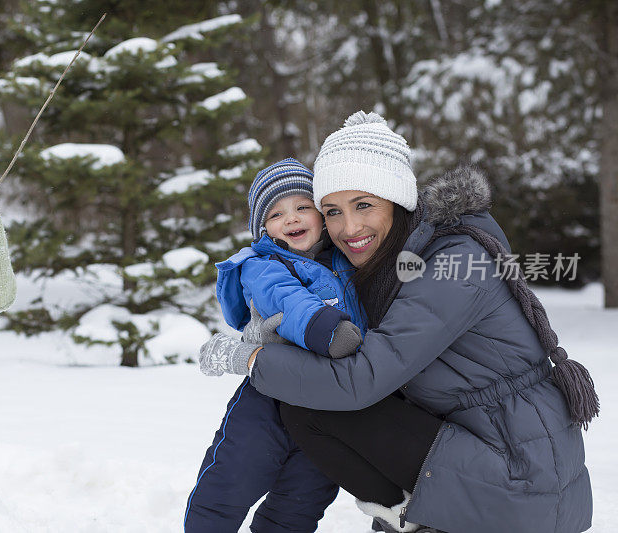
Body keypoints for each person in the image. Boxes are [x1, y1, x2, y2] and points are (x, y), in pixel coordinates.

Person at [199, 111, 596, 533]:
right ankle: (409, 514)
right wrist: (276, 326)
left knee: (312, 408)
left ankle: (410, 517)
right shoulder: (391, 263)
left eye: (364, 205)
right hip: (487, 448)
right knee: (309, 400)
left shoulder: (456, 263)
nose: (348, 227)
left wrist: (252, 358)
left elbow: (361, 377)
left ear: (398, 200)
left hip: (522, 479)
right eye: (332, 211)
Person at [185, 158, 367, 532]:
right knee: (231, 480)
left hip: (328, 405)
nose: (293, 219)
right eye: (277, 213)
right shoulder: (262, 264)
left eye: (303, 207)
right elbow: (286, 300)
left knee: (303, 497)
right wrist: (324, 329)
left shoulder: (347, 261)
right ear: (263, 228)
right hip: (267, 399)